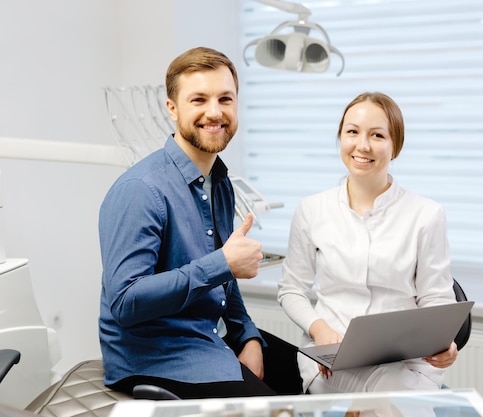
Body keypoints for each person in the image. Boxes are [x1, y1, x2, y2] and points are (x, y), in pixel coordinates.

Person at [98, 47, 276, 399]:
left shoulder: (219, 183)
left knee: (306, 385)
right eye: (199, 99)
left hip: (204, 340)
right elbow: (124, 302)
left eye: (225, 98)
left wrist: (248, 335)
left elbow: (224, 276)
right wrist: (221, 263)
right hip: (156, 358)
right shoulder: (141, 190)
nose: (215, 112)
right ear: (172, 108)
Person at [277, 92, 459, 395]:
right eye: (352, 132)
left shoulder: (426, 215)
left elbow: (436, 298)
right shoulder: (312, 209)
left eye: (377, 135)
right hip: (333, 359)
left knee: (391, 396)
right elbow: (291, 289)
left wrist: (445, 344)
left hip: (406, 362)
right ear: (340, 138)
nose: (362, 145)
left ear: (395, 146)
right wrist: (319, 330)